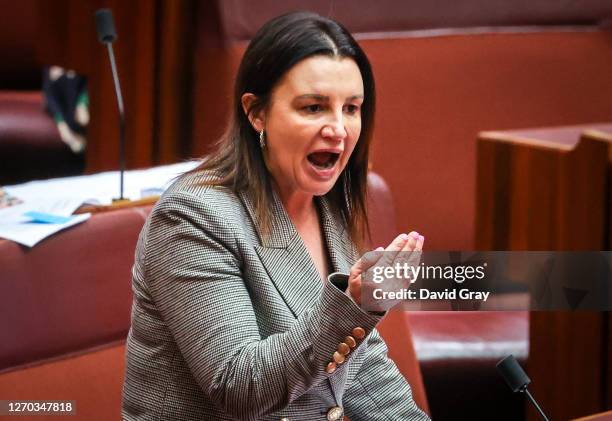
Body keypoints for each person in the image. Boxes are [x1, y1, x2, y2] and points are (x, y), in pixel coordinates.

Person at [122, 11, 429, 421]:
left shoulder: (328, 204)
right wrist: (354, 303)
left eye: (351, 108)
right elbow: (238, 386)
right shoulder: (192, 217)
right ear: (256, 112)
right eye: (314, 107)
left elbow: (364, 373)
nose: (338, 129)